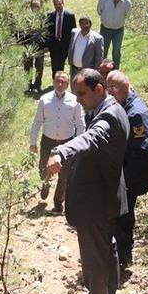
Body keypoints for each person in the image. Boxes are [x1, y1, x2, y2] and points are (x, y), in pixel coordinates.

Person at [45, 69, 129, 294]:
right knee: (106, 247)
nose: (78, 99)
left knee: (95, 252)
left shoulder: (109, 117)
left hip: (97, 198)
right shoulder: (109, 109)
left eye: (82, 93)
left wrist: (60, 151)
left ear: (99, 89)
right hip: (104, 195)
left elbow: (91, 138)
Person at [106, 70, 148, 270]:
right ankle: (120, 255)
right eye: (108, 88)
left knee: (124, 217)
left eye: (113, 88)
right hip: (124, 173)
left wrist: (126, 182)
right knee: (120, 215)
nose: (110, 92)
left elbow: (140, 150)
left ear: (126, 86)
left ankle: (124, 257)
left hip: (130, 175)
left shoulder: (136, 113)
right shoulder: (124, 105)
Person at [29, 71, 85, 213]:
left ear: (68, 84)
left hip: (67, 142)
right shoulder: (44, 99)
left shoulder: (75, 100)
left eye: (63, 82)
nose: (60, 84)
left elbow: (80, 124)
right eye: (58, 81)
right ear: (53, 82)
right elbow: (37, 122)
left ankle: (58, 202)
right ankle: (46, 182)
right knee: (43, 168)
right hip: (48, 141)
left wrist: (80, 145)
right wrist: (33, 142)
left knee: (64, 175)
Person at [96, 0, 131, 70]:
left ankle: (115, 71)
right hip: (105, 29)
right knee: (103, 51)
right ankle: (102, 70)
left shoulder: (127, 2)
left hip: (118, 31)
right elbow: (99, 11)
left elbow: (127, 15)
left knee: (116, 51)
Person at [16, 0, 47, 92]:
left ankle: (37, 85)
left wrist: (46, 46)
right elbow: (19, 31)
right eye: (34, 6)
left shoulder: (43, 18)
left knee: (39, 67)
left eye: (38, 7)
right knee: (27, 67)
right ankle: (27, 85)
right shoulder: (25, 18)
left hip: (39, 47)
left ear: (40, 7)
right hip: (27, 47)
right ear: (31, 7)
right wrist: (21, 43)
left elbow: (47, 32)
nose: (36, 8)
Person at [46, 0, 77, 78]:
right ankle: (55, 80)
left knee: (61, 63)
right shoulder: (50, 15)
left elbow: (73, 31)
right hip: (54, 44)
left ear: (63, 4)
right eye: (56, 4)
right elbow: (47, 31)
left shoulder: (69, 15)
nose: (58, 6)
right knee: (54, 64)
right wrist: (47, 45)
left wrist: (72, 44)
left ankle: (60, 79)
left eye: (59, 4)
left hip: (65, 44)